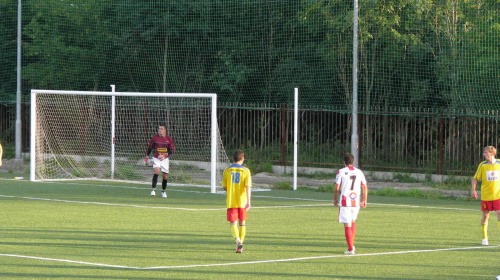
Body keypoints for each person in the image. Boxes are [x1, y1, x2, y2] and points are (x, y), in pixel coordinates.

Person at [333, 153, 368, 255]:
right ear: (353, 162)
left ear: (344, 162)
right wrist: (364, 200)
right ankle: (351, 245)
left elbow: (336, 188)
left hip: (345, 202)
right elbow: (365, 187)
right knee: (352, 221)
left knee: (347, 224)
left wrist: (335, 199)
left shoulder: (341, 172)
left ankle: (350, 249)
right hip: (356, 201)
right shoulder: (359, 172)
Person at [222, 150, 252, 253]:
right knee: (242, 223)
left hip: (231, 201)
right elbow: (248, 187)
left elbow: (225, 187)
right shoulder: (246, 171)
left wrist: (232, 188)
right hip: (242, 202)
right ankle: (241, 244)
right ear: (242, 158)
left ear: (233, 158)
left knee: (233, 223)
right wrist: (249, 201)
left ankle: (238, 241)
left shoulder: (227, 170)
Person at [471, 146, 500, 246]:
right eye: (484, 153)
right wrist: (473, 190)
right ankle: (484, 238)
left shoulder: (499, 164)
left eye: (486, 153)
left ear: (492, 153)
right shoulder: (482, 165)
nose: (484, 154)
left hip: (498, 196)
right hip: (486, 196)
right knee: (485, 216)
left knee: (499, 214)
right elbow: (475, 179)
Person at [145, 125, 175, 198]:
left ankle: (163, 191)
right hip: (156, 158)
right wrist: (147, 156)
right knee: (157, 171)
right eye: (159, 129)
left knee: (165, 176)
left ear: (165, 130)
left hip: (165, 160)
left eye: (161, 129)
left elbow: (173, 150)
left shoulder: (169, 139)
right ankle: (153, 190)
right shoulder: (155, 138)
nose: (160, 130)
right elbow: (150, 147)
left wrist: (165, 155)